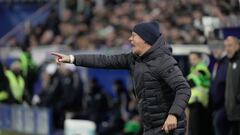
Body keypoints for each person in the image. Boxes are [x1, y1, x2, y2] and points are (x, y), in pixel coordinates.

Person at [51, 21, 191, 135]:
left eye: (134, 36)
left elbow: (183, 88)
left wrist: (173, 115)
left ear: (146, 39)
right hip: (150, 126)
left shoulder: (163, 61)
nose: (130, 39)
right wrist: (71, 58)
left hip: (169, 128)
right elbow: (104, 61)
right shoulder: (133, 59)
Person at [208, 40, 230, 135]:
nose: (213, 52)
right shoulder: (220, 63)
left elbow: (221, 84)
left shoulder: (226, 63)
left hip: (223, 106)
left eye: (215, 50)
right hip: (217, 106)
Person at [187, 52, 211, 135]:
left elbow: (193, 80)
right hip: (195, 103)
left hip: (200, 103)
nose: (192, 61)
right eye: (190, 59)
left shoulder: (201, 68)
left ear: (200, 59)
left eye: (194, 59)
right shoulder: (193, 69)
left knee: (197, 129)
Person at [224, 36, 240, 135]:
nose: (227, 49)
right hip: (232, 113)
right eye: (225, 46)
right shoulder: (230, 62)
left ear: (238, 46)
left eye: (230, 45)